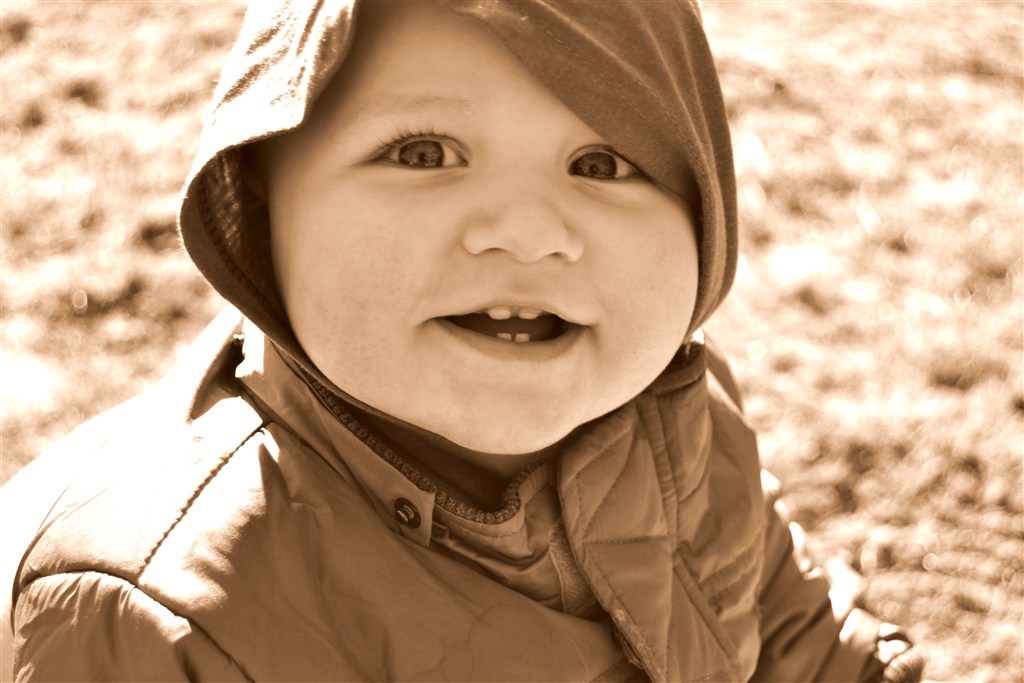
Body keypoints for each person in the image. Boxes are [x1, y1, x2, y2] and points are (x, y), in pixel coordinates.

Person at [9, 1, 925, 681]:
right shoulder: (151, 611)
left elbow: (788, 631)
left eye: (602, 163)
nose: (526, 231)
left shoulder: (673, 417)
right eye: (424, 153)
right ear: (258, 202)